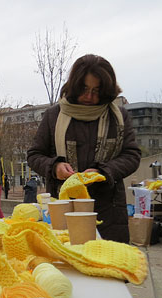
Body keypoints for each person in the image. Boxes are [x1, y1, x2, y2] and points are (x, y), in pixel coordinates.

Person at [27, 54, 141, 243]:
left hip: (109, 212)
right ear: (75, 86)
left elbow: (131, 155)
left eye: (96, 91)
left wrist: (103, 172)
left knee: (110, 266)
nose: (89, 96)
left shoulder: (119, 117)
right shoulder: (53, 116)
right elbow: (34, 155)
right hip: (64, 209)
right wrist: (54, 167)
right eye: (85, 89)